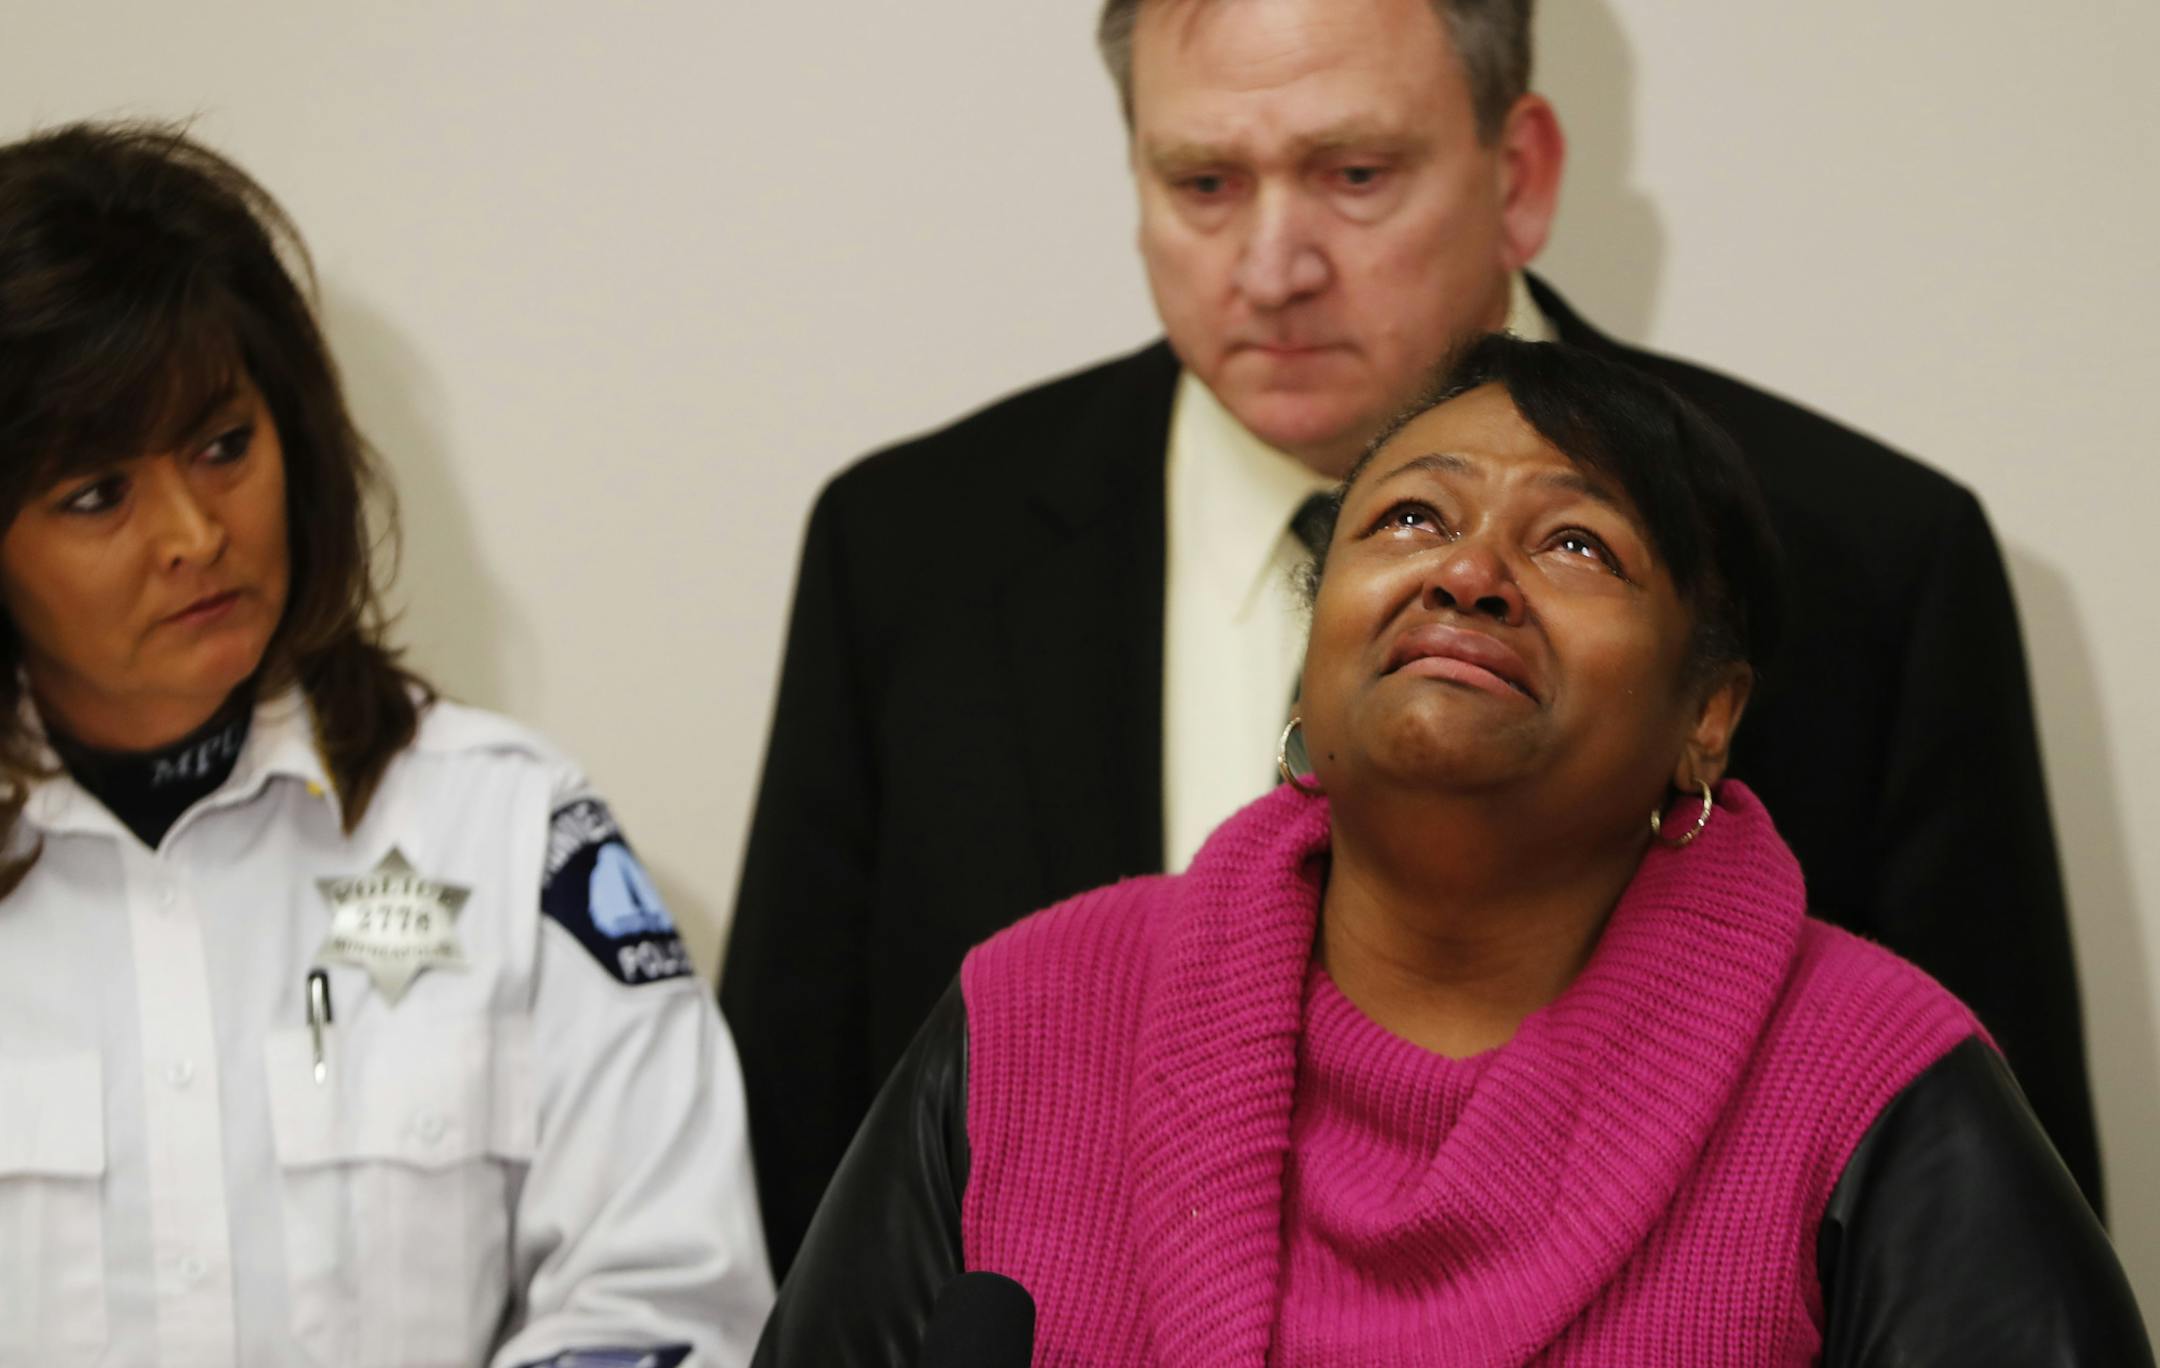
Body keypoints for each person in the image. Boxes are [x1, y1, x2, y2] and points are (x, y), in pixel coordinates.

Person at [721, 0, 2099, 1273]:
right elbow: (800, 1169)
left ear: (1521, 175)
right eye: (1204, 183)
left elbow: (1989, 1238)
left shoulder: (1866, 559)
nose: (1273, 266)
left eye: (1355, 174)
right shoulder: (906, 555)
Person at [752, 337, 2149, 1366]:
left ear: (1707, 717)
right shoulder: (1034, 1016)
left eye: (1578, 545)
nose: (1468, 573)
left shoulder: (1875, 1087)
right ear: (1312, 647)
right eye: (1412, 516)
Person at [0, 122, 772, 1366]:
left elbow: (666, 1301)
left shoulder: (512, 833)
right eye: (99, 495)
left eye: (222, 446)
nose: (194, 531)